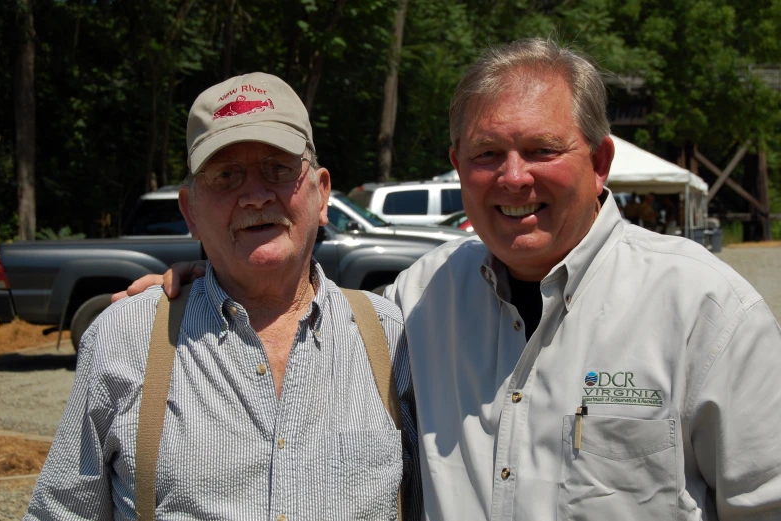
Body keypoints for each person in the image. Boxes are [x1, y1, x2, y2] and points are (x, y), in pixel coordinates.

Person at [120, 39, 781, 520]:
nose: (514, 177)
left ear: (600, 160)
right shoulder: (414, 302)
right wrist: (206, 290)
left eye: (543, 150)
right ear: (457, 166)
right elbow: (300, 316)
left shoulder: (706, 311)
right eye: (488, 154)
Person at [26, 72, 422, 521]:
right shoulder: (126, 337)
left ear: (322, 192)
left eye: (277, 168)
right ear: (190, 212)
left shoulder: (390, 337)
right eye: (226, 175)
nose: (255, 196)